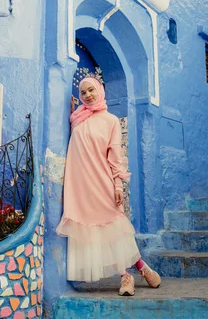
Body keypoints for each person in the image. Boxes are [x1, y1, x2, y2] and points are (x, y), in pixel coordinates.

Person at [56, 77, 161, 296]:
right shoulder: (77, 118)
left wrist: (118, 185)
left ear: (101, 90)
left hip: (102, 181)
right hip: (80, 185)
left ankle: (133, 272)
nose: (88, 95)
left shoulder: (111, 120)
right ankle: (131, 272)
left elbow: (115, 156)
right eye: (83, 92)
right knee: (92, 231)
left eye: (91, 90)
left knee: (113, 229)